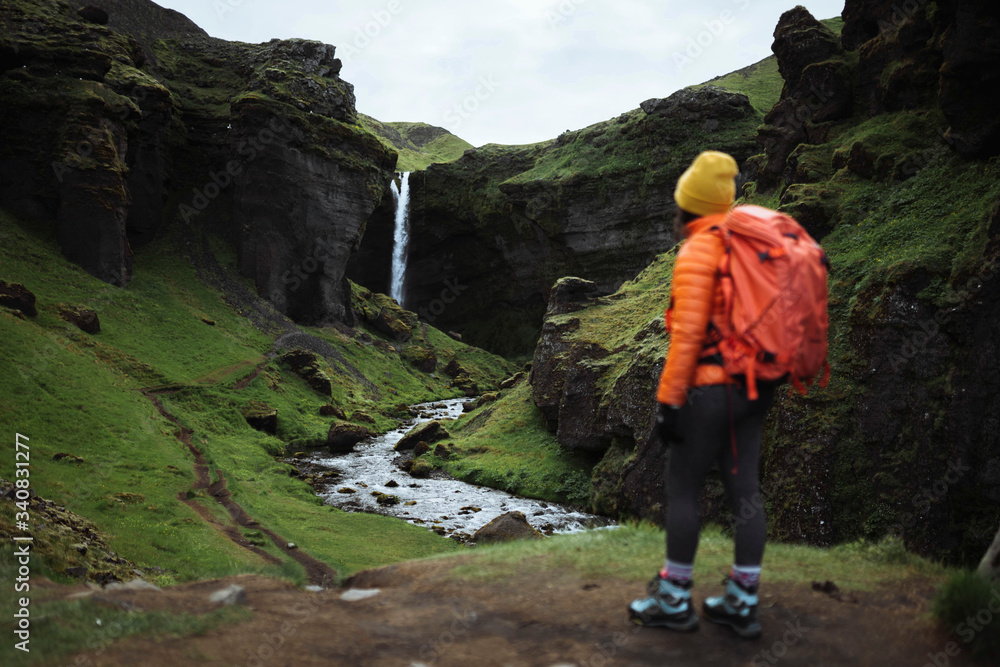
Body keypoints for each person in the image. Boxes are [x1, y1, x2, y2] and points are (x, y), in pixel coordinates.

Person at [628, 151, 779, 639]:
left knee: (683, 491)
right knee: (747, 495)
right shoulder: (750, 247)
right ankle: (742, 601)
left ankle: (673, 601)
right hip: (754, 389)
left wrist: (669, 402)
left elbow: (688, 337)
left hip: (709, 393)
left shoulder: (699, 250)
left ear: (688, 206)